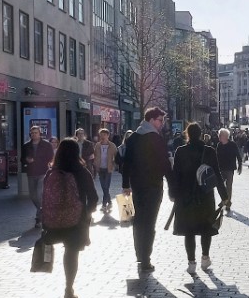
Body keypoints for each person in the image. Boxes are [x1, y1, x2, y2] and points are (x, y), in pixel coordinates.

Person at [42, 138, 98, 298]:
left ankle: (45, 268)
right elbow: (94, 198)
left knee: (51, 247)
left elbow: (45, 197)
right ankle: (68, 289)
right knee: (71, 253)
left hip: (53, 222)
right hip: (76, 222)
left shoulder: (51, 172)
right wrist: (87, 212)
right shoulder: (82, 171)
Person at [170, 123, 228, 274]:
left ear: (187, 134)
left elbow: (175, 175)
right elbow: (217, 175)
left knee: (189, 231)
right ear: (201, 134)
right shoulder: (209, 151)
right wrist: (225, 196)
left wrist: (173, 194)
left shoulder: (180, 151)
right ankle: (205, 258)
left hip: (185, 196)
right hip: (205, 196)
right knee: (205, 228)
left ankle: (191, 262)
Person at [121, 106, 172, 273]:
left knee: (138, 221)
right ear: (151, 120)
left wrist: (125, 184)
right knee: (149, 223)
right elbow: (165, 164)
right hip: (153, 186)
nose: (162, 123)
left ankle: (139, 254)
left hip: (137, 186)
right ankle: (145, 259)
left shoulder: (134, 137)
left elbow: (126, 162)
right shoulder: (156, 139)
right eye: (160, 120)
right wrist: (172, 185)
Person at [22, 125, 55, 227]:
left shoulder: (46, 145)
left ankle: (39, 217)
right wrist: (26, 160)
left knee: (39, 194)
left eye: (36, 133)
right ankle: (43, 210)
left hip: (43, 172)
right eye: (32, 133)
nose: (34, 135)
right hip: (31, 173)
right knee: (32, 195)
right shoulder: (26, 146)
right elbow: (21, 158)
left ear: (40, 134)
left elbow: (51, 157)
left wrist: (46, 163)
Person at [215, 128, 242, 213]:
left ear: (225, 136)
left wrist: (240, 165)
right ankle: (226, 201)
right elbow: (216, 157)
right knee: (220, 186)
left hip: (230, 169)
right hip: (221, 169)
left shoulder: (232, 144)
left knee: (229, 187)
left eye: (220, 135)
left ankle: (227, 204)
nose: (218, 137)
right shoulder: (219, 145)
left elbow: (238, 155)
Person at [93, 128, 116, 211]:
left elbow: (116, 156)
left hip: (108, 169)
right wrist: (95, 164)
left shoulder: (112, 145)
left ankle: (103, 205)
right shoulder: (97, 145)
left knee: (106, 186)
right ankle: (109, 202)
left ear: (108, 136)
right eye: (101, 135)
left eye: (105, 135)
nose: (103, 136)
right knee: (104, 187)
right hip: (100, 168)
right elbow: (95, 155)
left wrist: (113, 164)